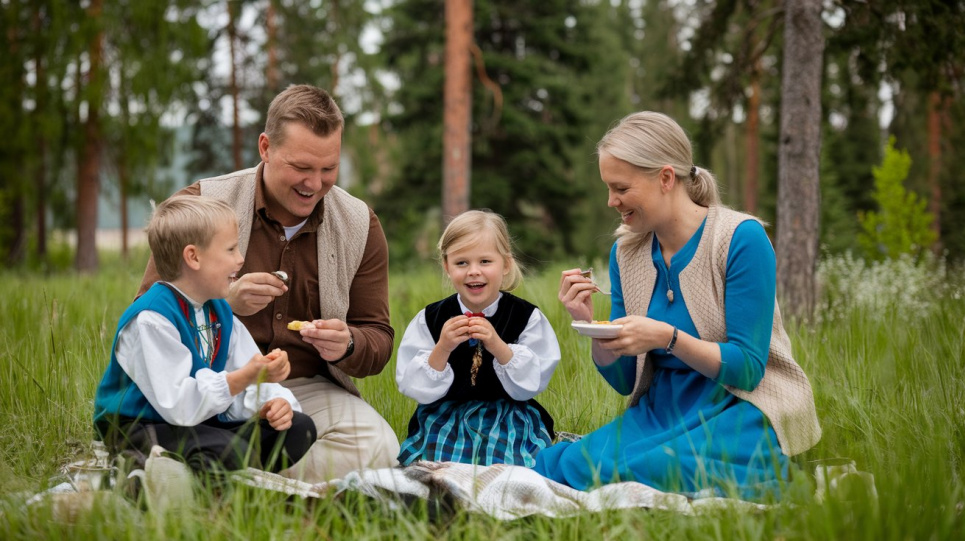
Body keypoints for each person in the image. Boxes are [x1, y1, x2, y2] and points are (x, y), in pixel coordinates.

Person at [533, 112, 821, 500]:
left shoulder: (740, 239)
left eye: (620, 188)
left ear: (666, 178)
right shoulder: (627, 253)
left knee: (656, 468)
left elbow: (749, 370)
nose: (611, 201)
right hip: (663, 409)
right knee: (562, 466)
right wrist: (591, 326)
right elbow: (624, 381)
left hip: (741, 407)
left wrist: (667, 337)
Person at [136, 84, 399, 482]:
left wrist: (347, 344)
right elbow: (147, 315)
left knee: (380, 447)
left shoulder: (360, 225)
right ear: (265, 147)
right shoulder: (201, 205)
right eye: (301, 167)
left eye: (328, 169)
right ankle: (255, 484)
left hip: (303, 390)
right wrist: (224, 302)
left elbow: (377, 339)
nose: (314, 183)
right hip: (207, 382)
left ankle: (214, 482)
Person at [94, 196, 317, 476]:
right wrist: (245, 377)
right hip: (141, 425)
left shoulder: (219, 311)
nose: (240, 258)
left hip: (200, 424)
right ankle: (143, 472)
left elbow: (243, 374)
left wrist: (272, 402)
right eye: (231, 249)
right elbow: (178, 404)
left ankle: (202, 472)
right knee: (225, 448)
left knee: (300, 429)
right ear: (193, 257)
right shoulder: (152, 319)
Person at [396, 210, 561, 467]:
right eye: (462, 263)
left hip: (508, 415)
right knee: (435, 464)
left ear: (505, 264)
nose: (474, 271)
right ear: (447, 266)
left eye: (485, 261)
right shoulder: (431, 317)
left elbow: (531, 382)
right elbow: (413, 386)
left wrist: (497, 345)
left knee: (508, 460)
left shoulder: (525, 316)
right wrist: (443, 347)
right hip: (446, 415)